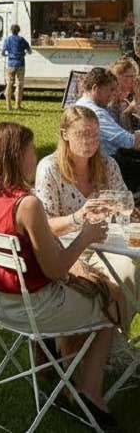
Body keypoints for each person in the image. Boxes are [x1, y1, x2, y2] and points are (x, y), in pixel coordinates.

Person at [0, 121, 117, 426]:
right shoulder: (27, 204)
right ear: (16, 155)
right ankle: (87, 391)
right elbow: (57, 270)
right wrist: (85, 236)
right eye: (31, 150)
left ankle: (64, 371)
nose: (35, 157)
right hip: (36, 308)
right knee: (112, 302)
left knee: (88, 290)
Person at [35, 106, 136, 333]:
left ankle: (117, 340)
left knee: (128, 272)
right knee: (103, 287)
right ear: (65, 135)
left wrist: (120, 208)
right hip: (67, 250)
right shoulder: (49, 168)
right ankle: (97, 344)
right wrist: (78, 217)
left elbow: (124, 205)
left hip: (108, 244)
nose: (90, 141)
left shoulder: (108, 165)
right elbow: (44, 227)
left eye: (95, 134)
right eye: (82, 134)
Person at [75, 66, 140, 191]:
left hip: (106, 158)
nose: (112, 94)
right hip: (103, 163)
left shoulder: (85, 105)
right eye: (110, 90)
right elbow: (128, 141)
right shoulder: (95, 112)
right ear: (95, 88)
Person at [2, 23, 32, 111]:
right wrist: (24, 53)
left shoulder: (7, 40)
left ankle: (8, 106)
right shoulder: (22, 40)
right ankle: (18, 105)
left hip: (11, 63)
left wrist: (8, 54)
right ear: (18, 31)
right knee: (19, 84)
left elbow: (3, 52)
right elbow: (29, 51)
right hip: (20, 63)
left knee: (9, 83)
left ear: (11, 30)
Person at [106, 57, 140, 132]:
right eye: (129, 76)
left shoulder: (124, 101)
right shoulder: (109, 98)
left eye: (134, 76)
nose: (133, 79)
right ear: (118, 77)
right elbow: (116, 127)